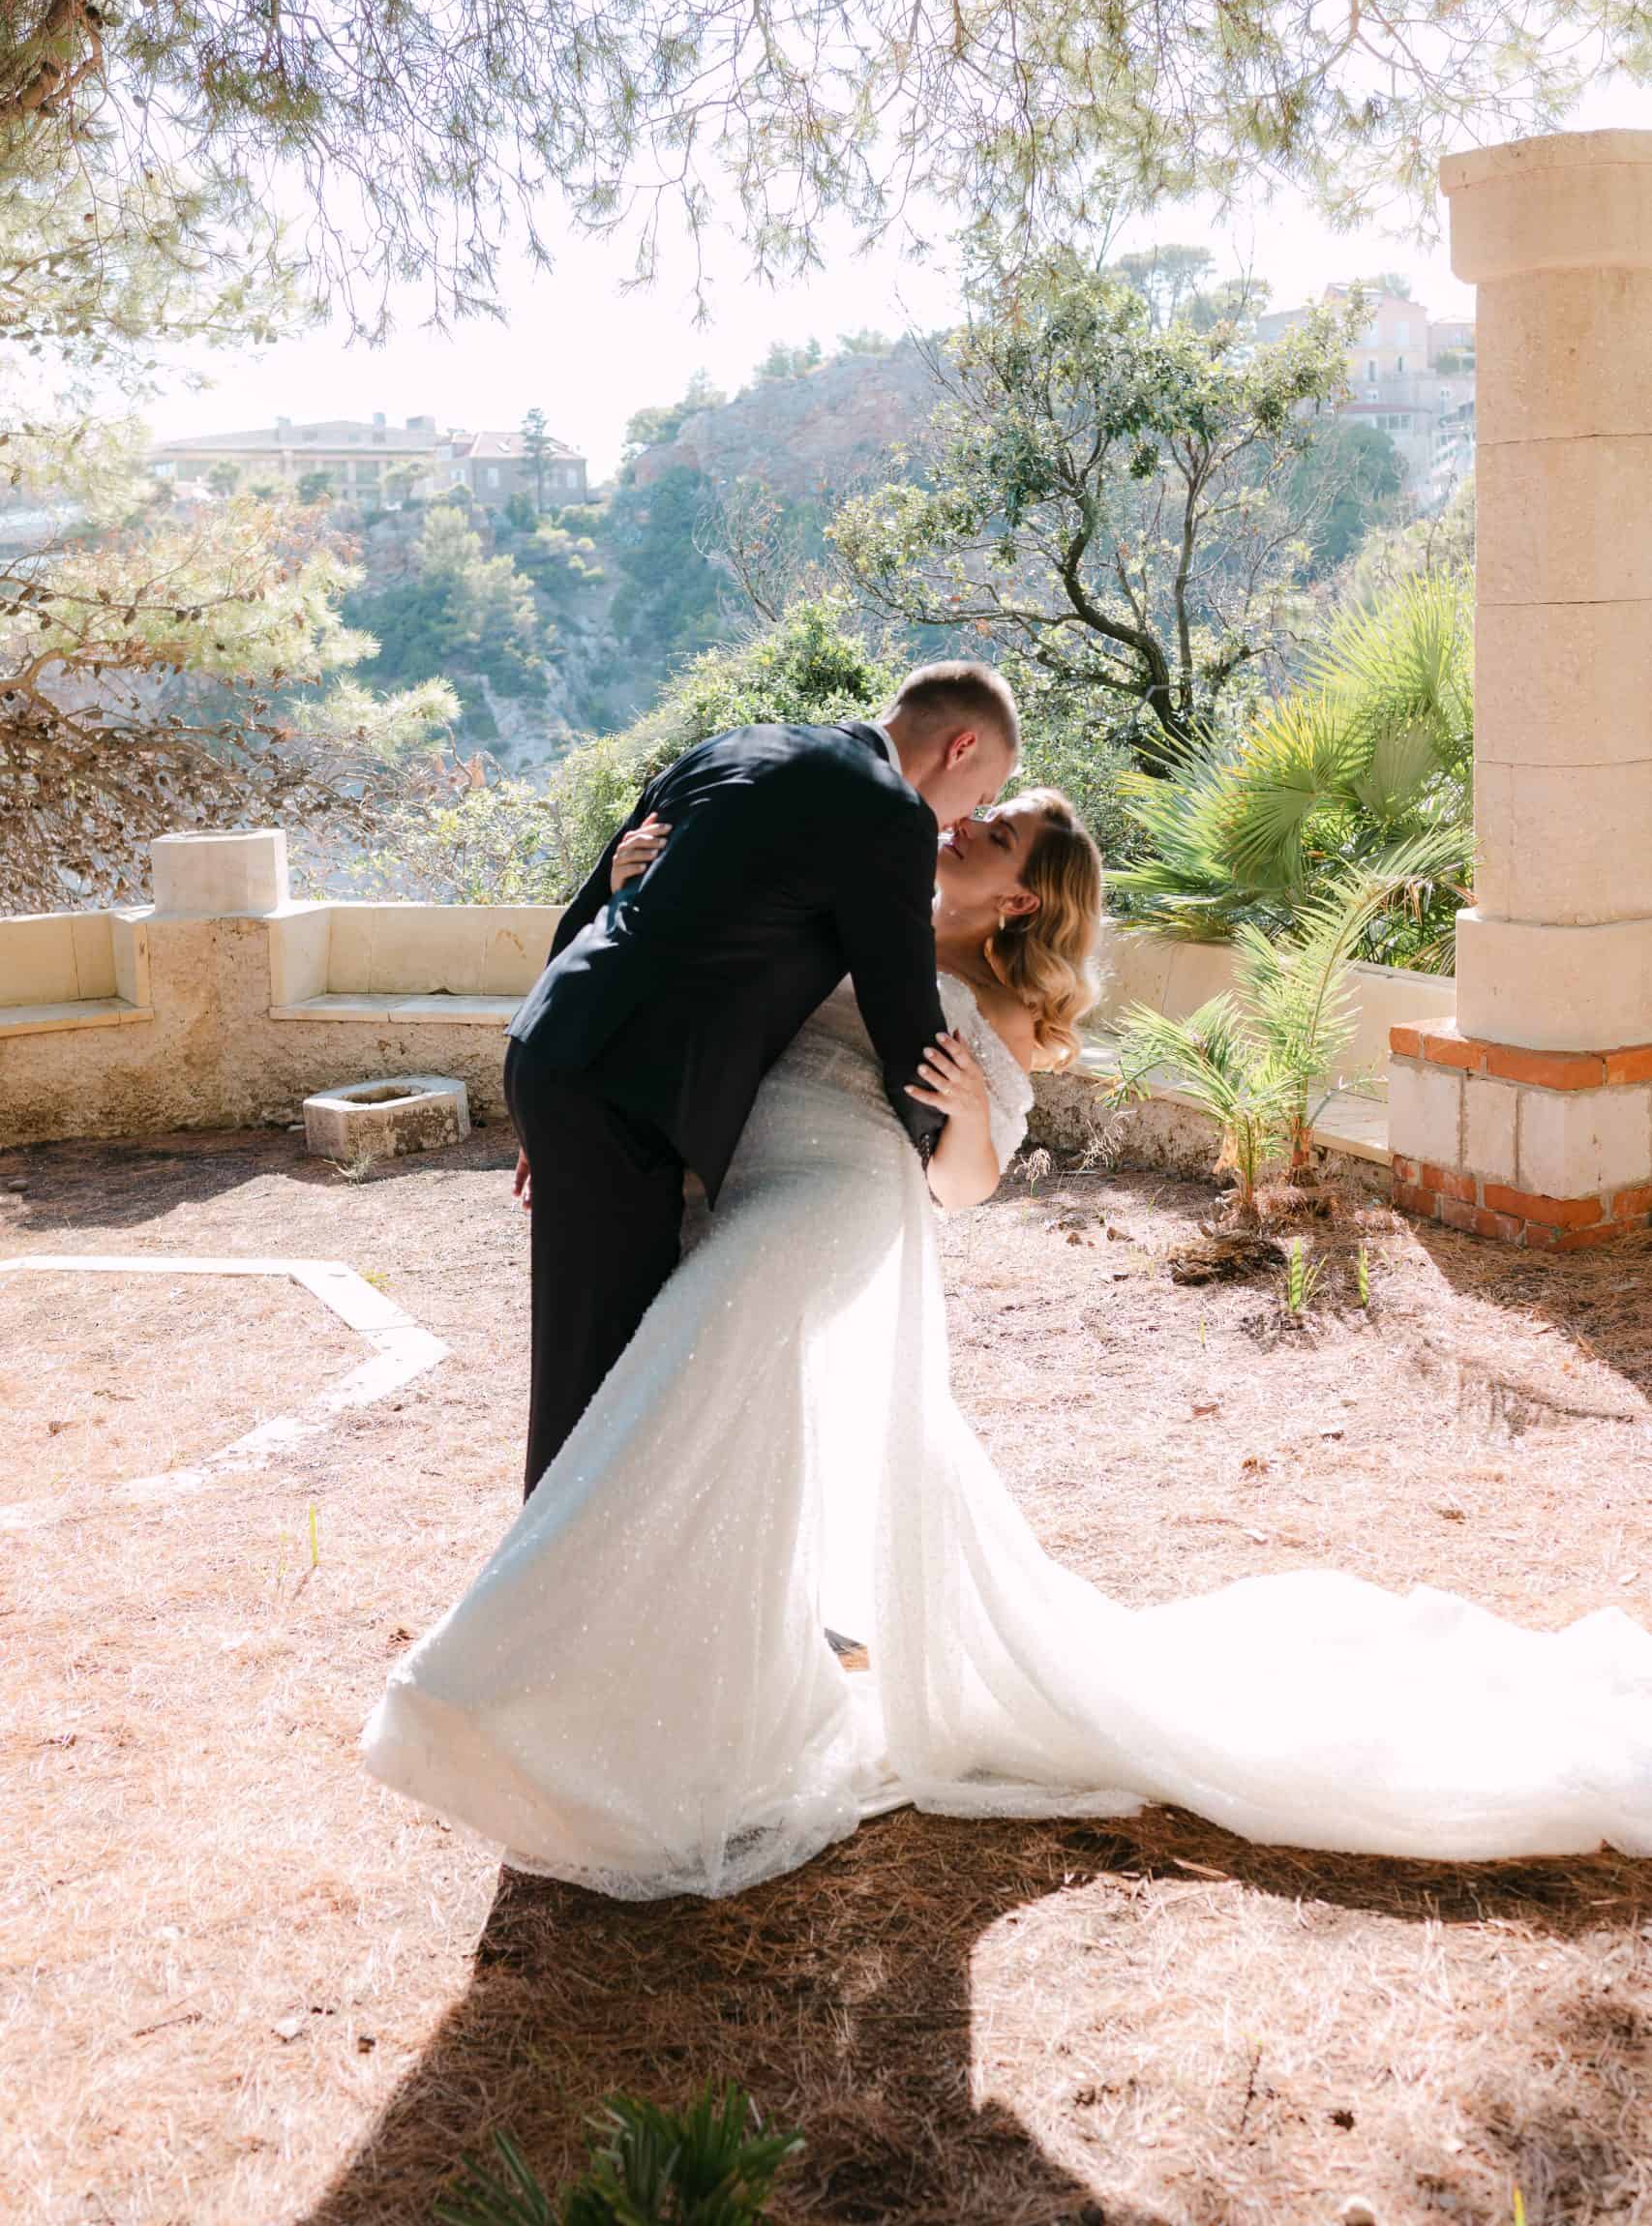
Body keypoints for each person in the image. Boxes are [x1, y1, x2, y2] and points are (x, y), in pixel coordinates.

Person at [364, 795, 1652, 1900]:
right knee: (707, 1444)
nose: (966, 822)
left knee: (660, 1405)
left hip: (831, 1204)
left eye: (998, 833)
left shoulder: (995, 1007)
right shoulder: (840, 913)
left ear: (1022, 907)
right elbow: (684, 1008)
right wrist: (645, 891)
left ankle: (479, 1685)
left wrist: (971, 1113)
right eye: (986, 810)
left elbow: (963, 1189)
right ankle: (675, 1719)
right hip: (730, 1186)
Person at [501, 662, 1020, 1497]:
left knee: (605, 1347)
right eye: (980, 793)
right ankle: (550, 1590)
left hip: (557, 1048)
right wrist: (943, 1145)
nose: (963, 820)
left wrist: (547, 1095)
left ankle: (595, 1572)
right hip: (626, 1093)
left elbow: (587, 906)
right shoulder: (889, 812)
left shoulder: (732, 744)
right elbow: (901, 1009)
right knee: (606, 1369)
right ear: (961, 747)